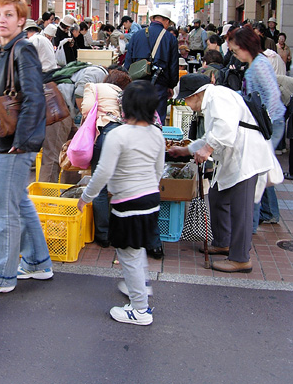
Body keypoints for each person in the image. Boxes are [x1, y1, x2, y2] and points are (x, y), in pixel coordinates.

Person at [0, 0, 52, 300]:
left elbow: (34, 97)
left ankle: (0, 275)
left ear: (20, 21)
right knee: (18, 202)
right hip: (10, 139)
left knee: (3, 209)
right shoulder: (5, 50)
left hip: (14, 142)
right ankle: (38, 262)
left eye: (9, 15)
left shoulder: (22, 49)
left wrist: (20, 142)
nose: (1, 20)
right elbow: (6, 94)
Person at [170, 74, 277, 273]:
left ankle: (240, 258)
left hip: (246, 159)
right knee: (218, 197)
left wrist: (207, 150)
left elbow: (225, 128)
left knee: (241, 209)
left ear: (196, 94)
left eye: (186, 99)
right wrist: (186, 150)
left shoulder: (218, 96)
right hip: (234, 159)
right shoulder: (214, 100)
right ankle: (223, 242)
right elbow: (211, 135)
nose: (186, 104)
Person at [77, 81, 164, 325]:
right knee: (136, 249)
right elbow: (159, 170)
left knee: (129, 254)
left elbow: (102, 173)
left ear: (125, 106)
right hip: (151, 200)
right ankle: (139, 288)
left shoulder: (118, 134)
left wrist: (86, 198)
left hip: (128, 203)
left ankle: (139, 310)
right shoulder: (157, 133)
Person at [227, 25, 285, 229]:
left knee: (258, 169)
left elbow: (271, 95)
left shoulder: (260, 65)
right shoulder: (254, 63)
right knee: (263, 166)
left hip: (270, 123)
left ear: (245, 46)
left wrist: (263, 124)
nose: (234, 54)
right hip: (266, 122)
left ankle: (251, 224)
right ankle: (269, 213)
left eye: (235, 50)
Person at [81, 69, 132, 247]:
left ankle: (103, 235)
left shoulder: (95, 87)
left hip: (107, 133)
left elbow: (86, 109)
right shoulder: (125, 93)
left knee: (100, 187)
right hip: (126, 136)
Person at [124, 6, 179, 125]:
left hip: (137, 82)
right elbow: (173, 65)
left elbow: (128, 62)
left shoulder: (137, 35)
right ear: (166, 21)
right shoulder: (170, 38)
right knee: (157, 118)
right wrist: (171, 85)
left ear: (152, 19)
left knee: (136, 116)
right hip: (160, 83)